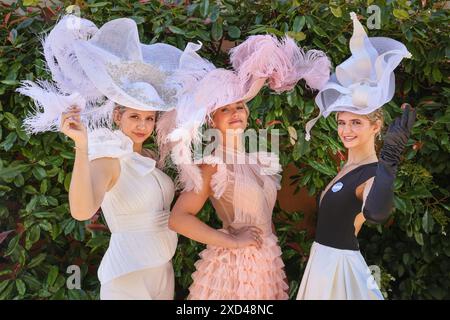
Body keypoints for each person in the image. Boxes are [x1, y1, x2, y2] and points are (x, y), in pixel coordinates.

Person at [18, 15, 183, 299]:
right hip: (127, 274)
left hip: (162, 269)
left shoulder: (152, 157)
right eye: (134, 116)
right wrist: (81, 146)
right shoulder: (108, 159)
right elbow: (81, 212)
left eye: (149, 118)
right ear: (118, 116)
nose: (142, 125)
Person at [165, 36, 331, 299]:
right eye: (225, 109)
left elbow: (266, 221)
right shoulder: (212, 163)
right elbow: (178, 219)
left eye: (239, 106)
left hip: (265, 266)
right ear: (212, 120)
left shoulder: (256, 160)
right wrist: (232, 241)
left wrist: (276, 267)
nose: (235, 113)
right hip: (233, 269)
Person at [297, 12, 415, 300]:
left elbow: (376, 212)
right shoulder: (347, 167)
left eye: (356, 122)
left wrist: (389, 161)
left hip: (340, 271)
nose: (346, 130)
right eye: (341, 122)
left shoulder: (372, 173)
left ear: (376, 126)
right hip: (322, 263)